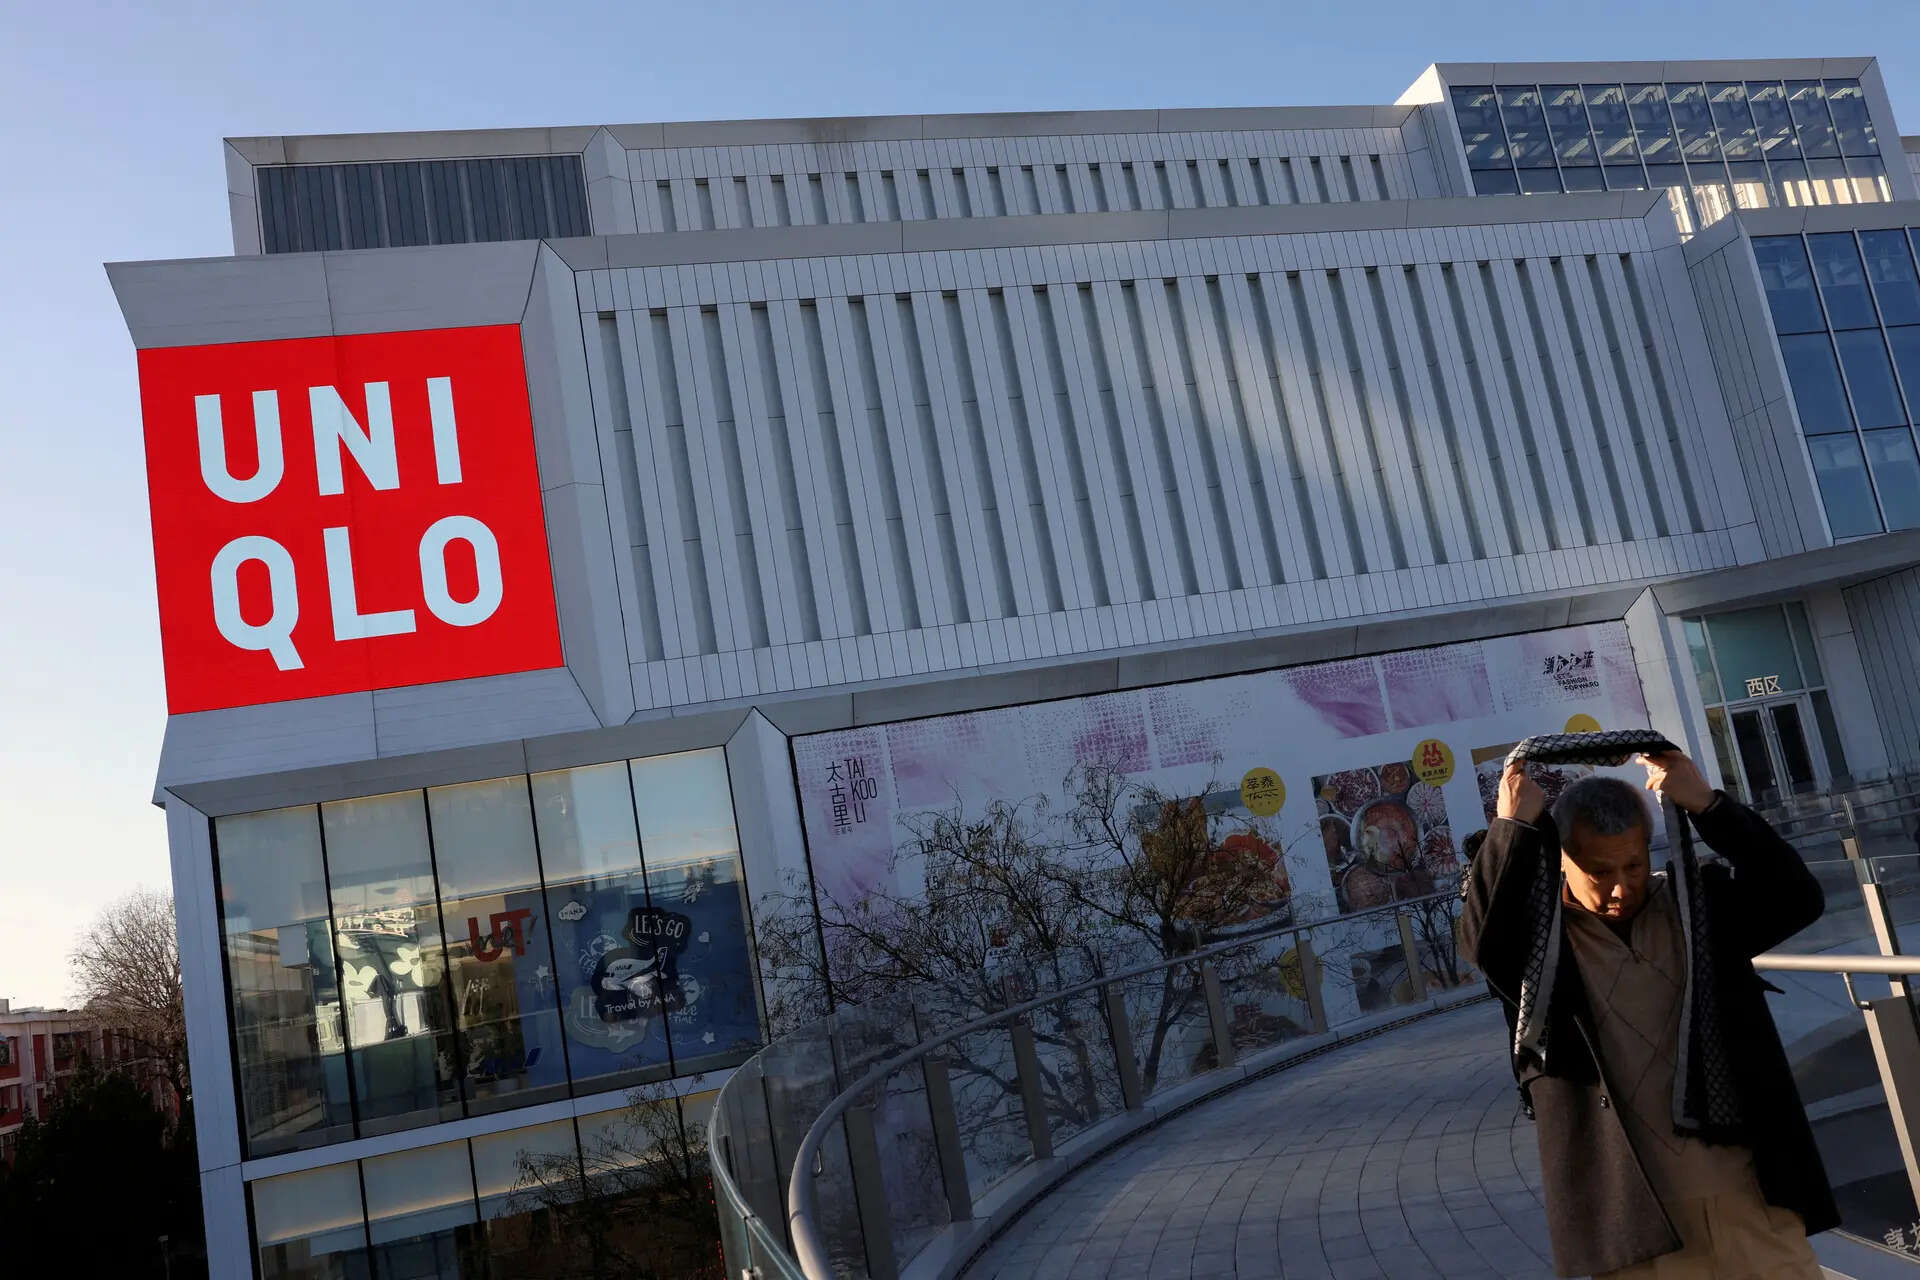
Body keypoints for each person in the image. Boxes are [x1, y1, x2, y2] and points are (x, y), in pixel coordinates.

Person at [1460, 749, 1837, 1279]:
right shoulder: (1542, 951)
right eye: (1599, 871)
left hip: (1750, 1202)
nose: (1620, 887)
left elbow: (1796, 897)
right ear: (1561, 859)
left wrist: (1707, 805)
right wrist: (1511, 827)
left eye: (1633, 864)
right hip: (1632, 1224)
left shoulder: (1695, 910)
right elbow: (1482, 941)